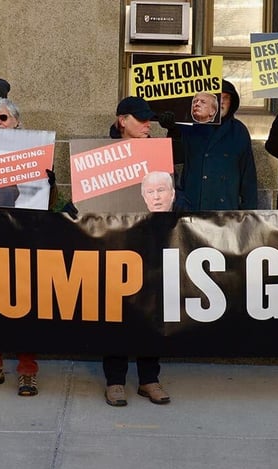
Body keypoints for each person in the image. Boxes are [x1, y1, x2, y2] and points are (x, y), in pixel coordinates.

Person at [0, 97, 50, 397]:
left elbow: (44, 203)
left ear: (17, 121)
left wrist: (47, 185)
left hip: (22, 236)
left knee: (25, 304)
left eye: (4, 118)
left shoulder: (34, 151)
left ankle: (28, 370)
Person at [104, 96, 170, 407]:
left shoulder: (158, 152)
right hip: (115, 245)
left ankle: (149, 379)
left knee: (150, 311)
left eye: (149, 120)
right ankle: (115, 380)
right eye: (140, 119)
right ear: (122, 120)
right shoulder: (99, 155)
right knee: (115, 313)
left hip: (150, 243)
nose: (147, 125)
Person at [171, 80, 258, 211]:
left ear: (232, 103)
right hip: (193, 209)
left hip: (225, 212)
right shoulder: (193, 128)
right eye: (218, 97)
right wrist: (173, 129)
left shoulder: (239, 131)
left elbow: (248, 177)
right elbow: (175, 157)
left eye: (226, 98)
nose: (221, 102)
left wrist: (248, 215)